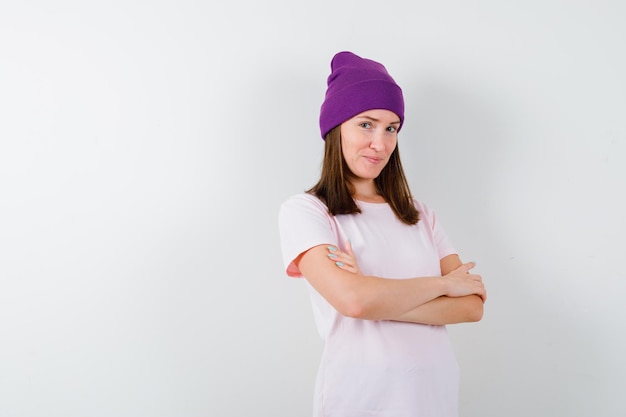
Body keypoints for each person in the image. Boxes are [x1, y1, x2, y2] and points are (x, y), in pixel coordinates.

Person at [278, 51, 486, 417]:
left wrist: (377, 295)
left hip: (434, 396)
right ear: (335, 127)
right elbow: (354, 302)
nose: (381, 143)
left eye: (391, 128)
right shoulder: (308, 211)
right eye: (366, 124)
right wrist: (442, 285)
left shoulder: (420, 215)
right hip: (361, 398)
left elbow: (471, 306)